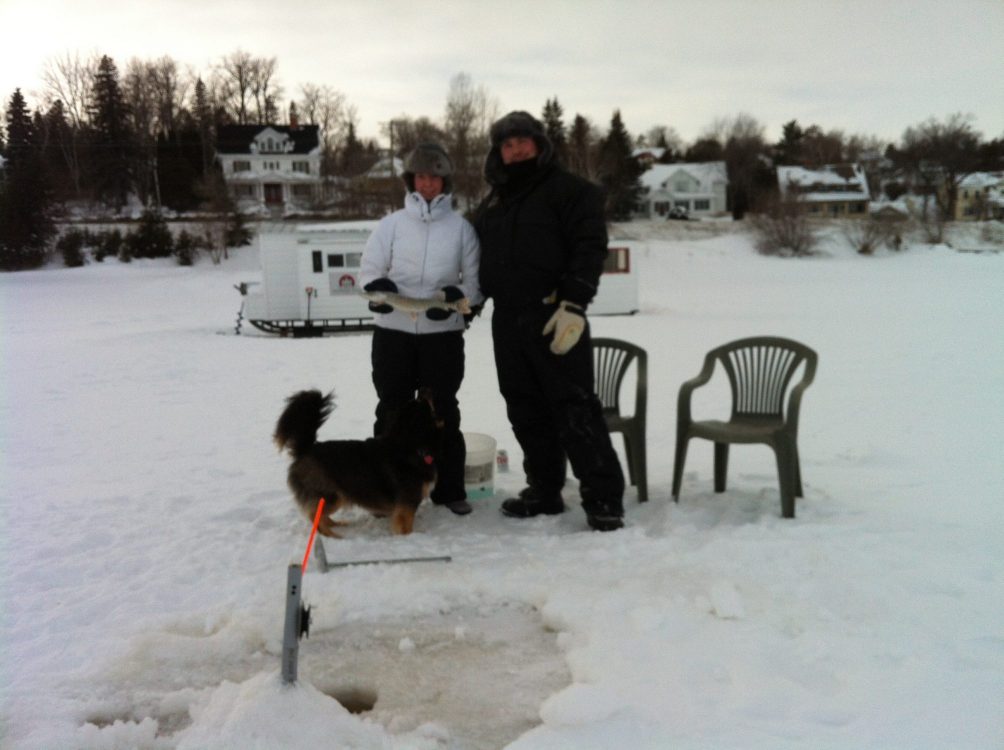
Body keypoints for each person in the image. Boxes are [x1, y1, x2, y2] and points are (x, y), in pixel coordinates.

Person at [474, 111, 625, 531]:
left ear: (540, 144)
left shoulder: (572, 192)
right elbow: (479, 262)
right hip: (507, 320)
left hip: (556, 315)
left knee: (575, 409)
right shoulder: (494, 204)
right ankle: (544, 490)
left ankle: (604, 500)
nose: (516, 149)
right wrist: (465, 302)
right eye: (507, 144)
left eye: (523, 141)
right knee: (525, 410)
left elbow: (590, 246)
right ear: (498, 153)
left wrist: (574, 303)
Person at [359, 142, 483, 516]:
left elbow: (474, 284)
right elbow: (369, 272)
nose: (427, 183)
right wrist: (380, 293)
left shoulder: (461, 228)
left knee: (443, 410)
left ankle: (450, 489)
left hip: (442, 338)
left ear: (445, 181)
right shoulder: (390, 225)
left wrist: (455, 298)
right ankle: (386, 491)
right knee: (392, 410)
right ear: (410, 180)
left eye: (435, 177)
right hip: (392, 336)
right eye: (421, 176)